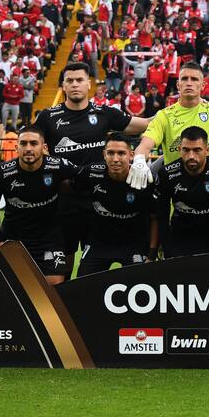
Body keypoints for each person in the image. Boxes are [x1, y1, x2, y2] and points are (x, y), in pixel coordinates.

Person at [33, 62, 150, 272]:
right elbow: (30, 144)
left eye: (79, 80)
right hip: (62, 202)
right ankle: (60, 303)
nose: (75, 84)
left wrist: (180, 110)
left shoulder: (105, 113)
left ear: (90, 84)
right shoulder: (47, 117)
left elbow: (147, 124)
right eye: (70, 81)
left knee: (94, 268)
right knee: (60, 270)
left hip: (97, 204)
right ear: (63, 86)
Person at [0, 126, 79, 285]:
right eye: (23, 143)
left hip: (49, 238)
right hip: (13, 238)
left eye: (34, 143)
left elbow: (84, 179)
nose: (28, 148)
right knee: (14, 285)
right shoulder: (1, 173)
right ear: (16, 147)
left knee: (55, 284)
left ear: (44, 147)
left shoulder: (58, 166)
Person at [72, 133, 158, 276]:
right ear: (104, 154)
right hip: (99, 243)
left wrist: (152, 254)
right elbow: (72, 192)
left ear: (131, 155)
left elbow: (155, 217)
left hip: (134, 243)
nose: (116, 159)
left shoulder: (146, 179)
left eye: (121, 153)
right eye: (111, 153)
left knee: (142, 287)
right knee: (83, 287)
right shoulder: (90, 173)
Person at [155, 126, 209, 258]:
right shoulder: (167, 174)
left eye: (197, 150)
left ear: (207, 150)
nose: (191, 156)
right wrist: (167, 248)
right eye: (186, 150)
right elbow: (162, 217)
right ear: (179, 150)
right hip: (181, 238)